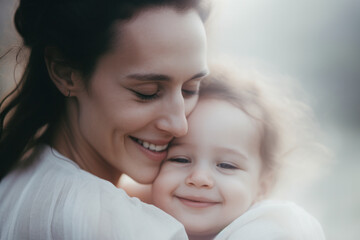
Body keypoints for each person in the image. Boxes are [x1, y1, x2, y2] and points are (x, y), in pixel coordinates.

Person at [0, 0, 210, 239]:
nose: (179, 125)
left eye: (190, 89)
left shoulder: (17, 179)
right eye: (147, 92)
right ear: (65, 73)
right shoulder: (124, 228)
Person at [123, 61, 326, 239]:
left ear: (263, 185)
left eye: (226, 165)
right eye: (180, 160)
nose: (200, 178)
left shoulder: (270, 229)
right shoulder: (124, 218)